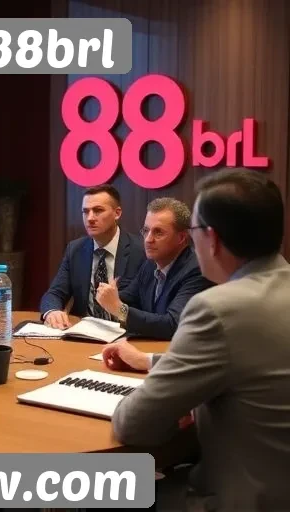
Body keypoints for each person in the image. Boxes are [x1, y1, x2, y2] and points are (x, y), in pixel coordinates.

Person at [111, 168, 290, 511]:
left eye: (192, 232)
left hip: (241, 499)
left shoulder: (218, 308)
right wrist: (150, 362)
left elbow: (132, 425)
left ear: (212, 239)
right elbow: (251, 364)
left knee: (100, 488)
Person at [95, 197, 213, 340]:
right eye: (146, 230)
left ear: (181, 237)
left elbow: (173, 325)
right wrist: (109, 295)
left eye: (158, 232)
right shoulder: (150, 264)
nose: (148, 239)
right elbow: (130, 298)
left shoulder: (197, 270)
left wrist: (120, 310)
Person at [40, 184, 146, 329]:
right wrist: (52, 311)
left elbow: (148, 309)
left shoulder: (140, 251)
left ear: (117, 213)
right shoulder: (75, 249)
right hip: (83, 332)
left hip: (125, 333)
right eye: (85, 211)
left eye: (98, 210)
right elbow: (55, 293)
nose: (90, 218)